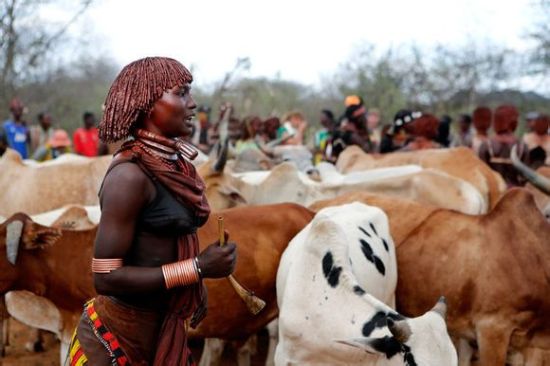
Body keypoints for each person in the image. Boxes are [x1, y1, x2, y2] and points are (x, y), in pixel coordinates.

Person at [69, 57, 237, 365]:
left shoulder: (178, 167)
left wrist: (196, 281)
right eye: (182, 93)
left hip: (159, 331)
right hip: (115, 342)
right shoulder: (129, 177)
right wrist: (197, 269)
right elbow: (106, 277)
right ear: (148, 105)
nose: (193, 103)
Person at [479, 105, 529, 187]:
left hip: (492, 192)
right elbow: (525, 178)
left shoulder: (486, 145)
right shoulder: (522, 147)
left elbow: (482, 174)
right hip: (515, 193)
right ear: (513, 122)